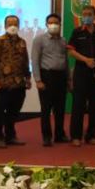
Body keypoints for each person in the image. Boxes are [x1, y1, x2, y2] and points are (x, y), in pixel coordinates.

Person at [67, 5, 95, 147]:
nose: (86, 17)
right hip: (81, 72)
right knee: (78, 105)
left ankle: (91, 135)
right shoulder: (77, 32)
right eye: (84, 14)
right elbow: (71, 51)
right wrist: (86, 60)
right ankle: (76, 136)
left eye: (89, 14)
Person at [0, 15, 32, 148]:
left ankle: (10, 136)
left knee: (14, 112)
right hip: (3, 83)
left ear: (18, 26)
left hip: (19, 83)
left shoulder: (22, 42)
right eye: (9, 24)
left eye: (15, 24)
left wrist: (28, 77)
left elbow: (25, 61)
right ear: (5, 26)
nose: (12, 26)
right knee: (0, 112)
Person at [32, 13, 70, 147]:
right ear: (46, 25)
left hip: (61, 77)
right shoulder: (39, 40)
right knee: (46, 109)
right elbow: (35, 61)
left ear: (60, 24)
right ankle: (46, 136)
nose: (53, 25)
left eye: (56, 23)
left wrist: (69, 79)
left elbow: (66, 61)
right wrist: (38, 80)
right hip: (46, 76)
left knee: (60, 108)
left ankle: (59, 135)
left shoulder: (63, 41)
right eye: (51, 23)